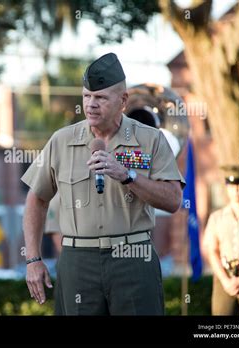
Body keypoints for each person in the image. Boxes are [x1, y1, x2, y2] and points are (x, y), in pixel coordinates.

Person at [21, 53, 185, 315]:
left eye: (100, 97)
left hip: (133, 257)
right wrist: (33, 258)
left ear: (123, 101)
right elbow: (37, 198)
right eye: (87, 96)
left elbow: (174, 199)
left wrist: (128, 176)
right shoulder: (62, 140)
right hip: (78, 261)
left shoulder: (151, 139)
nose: (91, 104)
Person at [203, 166, 239, 315]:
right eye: (232, 185)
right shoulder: (217, 217)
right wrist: (226, 281)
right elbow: (212, 251)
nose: (236, 190)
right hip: (224, 275)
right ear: (227, 188)